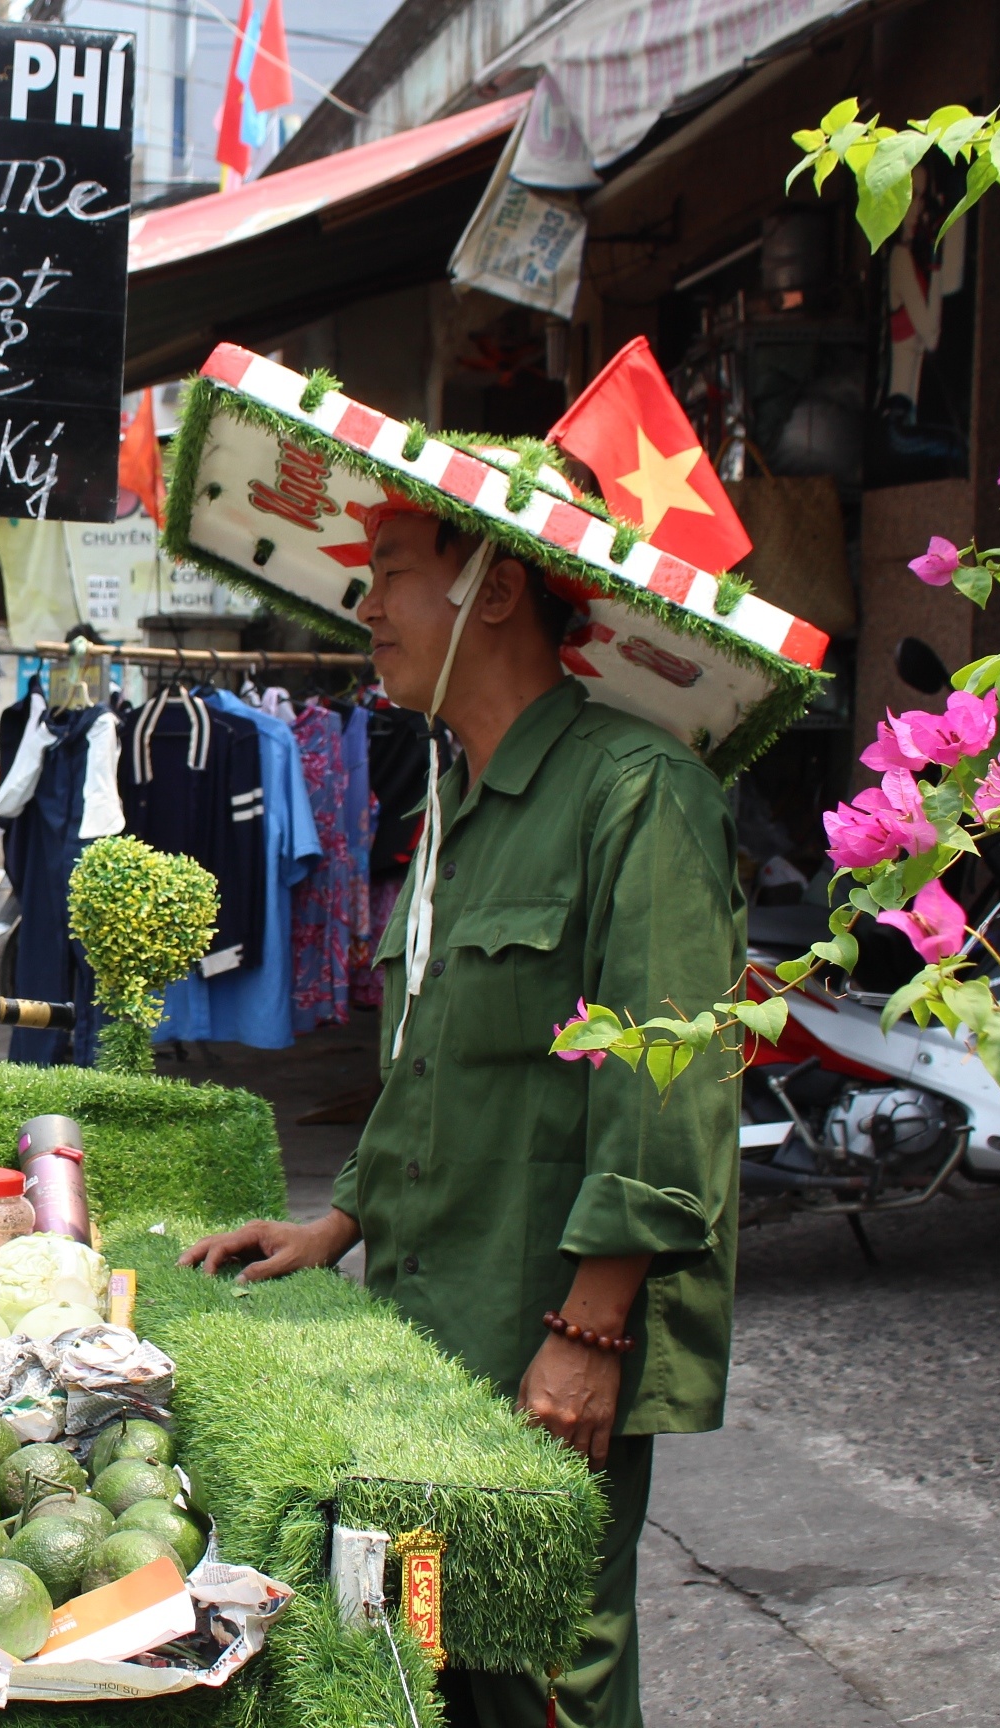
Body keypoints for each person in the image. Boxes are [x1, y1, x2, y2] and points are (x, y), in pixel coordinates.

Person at [181, 502, 741, 1728]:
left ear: (493, 591)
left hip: (543, 1340)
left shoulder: (638, 792)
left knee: (545, 1684)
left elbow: (666, 1086)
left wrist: (589, 1332)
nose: (366, 608)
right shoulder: (455, 803)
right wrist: (339, 1222)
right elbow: (434, 1066)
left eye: (390, 574)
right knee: (430, 1661)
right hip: (429, 1330)